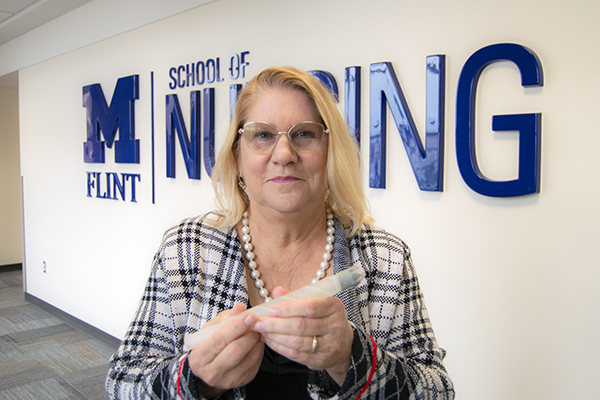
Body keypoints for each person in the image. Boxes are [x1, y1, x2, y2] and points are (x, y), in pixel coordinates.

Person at [106, 66, 454, 400]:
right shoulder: (186, 248)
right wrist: (195, 380)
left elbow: (438, 391)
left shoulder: (386, 258)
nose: (284, 154)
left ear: (330, 152)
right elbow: (123, 382)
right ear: (237, 157)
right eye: (262, 135)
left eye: (304, 134)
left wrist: (353, 357)